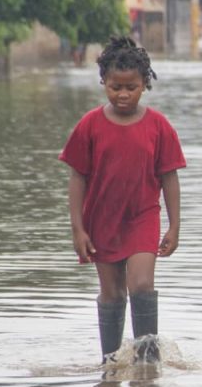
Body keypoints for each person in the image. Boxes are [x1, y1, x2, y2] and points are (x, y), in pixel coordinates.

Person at [59, 36, 187, 365]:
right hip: (101, 220)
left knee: (141, 284)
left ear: (145, 84)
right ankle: (110, 365)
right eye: (116, 87)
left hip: (143, 216)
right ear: (104, 81)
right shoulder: (89, 125)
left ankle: (147, 363)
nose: (123, 94)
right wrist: (77, 229)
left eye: (131, 87)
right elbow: (77, 177)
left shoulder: (159, 126)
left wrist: (174, 226)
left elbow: (169, 177)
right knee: (113, 292)